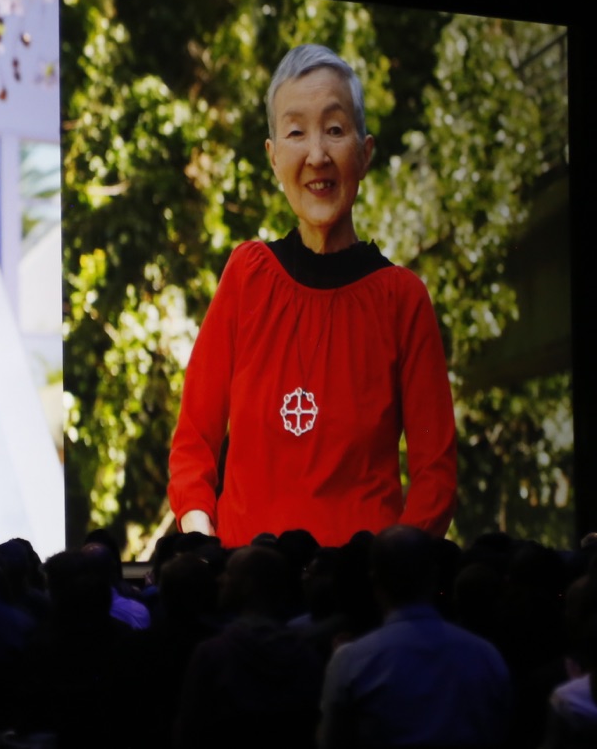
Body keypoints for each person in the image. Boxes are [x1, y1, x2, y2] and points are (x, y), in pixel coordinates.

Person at [167, 44, 456, 548]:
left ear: (364, 153)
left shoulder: (402, 299)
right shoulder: (246, 275)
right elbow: (194, 442)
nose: (317, 155)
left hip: (361, 589)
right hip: (246, 582)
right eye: (296, 132)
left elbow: (436, 478)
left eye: (335, 130)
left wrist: (387, 571)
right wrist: (203, 544)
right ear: (273, 156)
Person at [318, 525, 511, 748]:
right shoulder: (486, 656)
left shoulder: (351, 661)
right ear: (434, 576)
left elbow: (330, 740)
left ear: (375, 580)